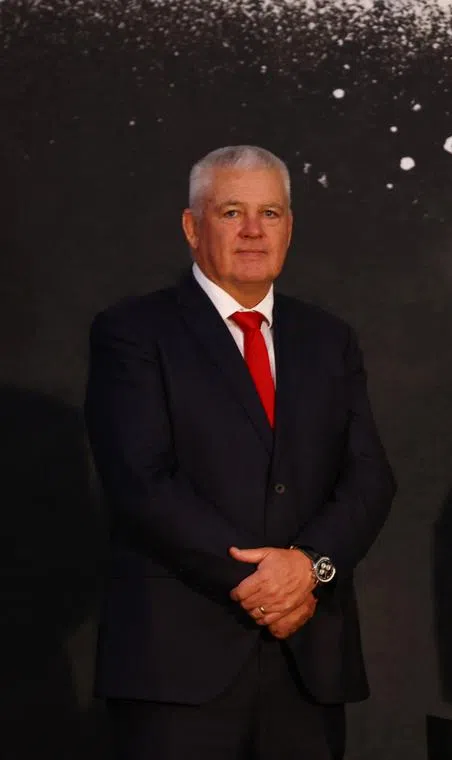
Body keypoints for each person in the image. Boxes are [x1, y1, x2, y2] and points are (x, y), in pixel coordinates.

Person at [85, 145, 396, 759]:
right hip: (178, 664)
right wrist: (263, 583)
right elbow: (142, 480)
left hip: (305, 661)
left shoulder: (329, 339)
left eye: (271, 214)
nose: (254, 231)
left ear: (290, 227)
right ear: (192, 226)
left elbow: (369, 478)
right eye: (232, 212)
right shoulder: (134, 332)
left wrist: (310, 567)